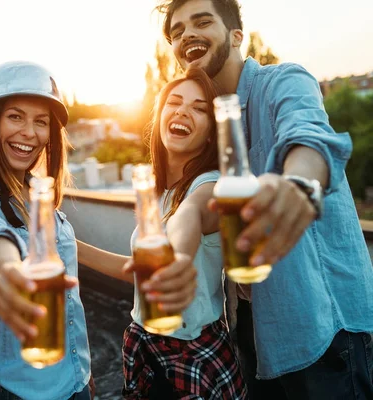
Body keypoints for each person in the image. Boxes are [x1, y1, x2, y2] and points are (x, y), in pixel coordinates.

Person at [159, 1, 373, 399]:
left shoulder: (283, 81)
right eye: (176, 31)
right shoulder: (209, 125)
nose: (186, 34)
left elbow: (308, 133)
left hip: (322, 329)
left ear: (237, 36)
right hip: (254, 336)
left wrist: (298, 185)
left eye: (202, 22)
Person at [80, 67, 247, 399]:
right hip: (145, 345)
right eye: (174, 101)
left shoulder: (210, 185)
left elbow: (190, 216)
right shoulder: (157, 195)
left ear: (213, 132)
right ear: (159, 117)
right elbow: (141, 272)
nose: (184, 110)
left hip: (194, 356)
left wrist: (179, 258)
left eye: (199, 108)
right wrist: (68, 247)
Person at [0, 60, 93, 400]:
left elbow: (64, 248)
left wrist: (82, 372)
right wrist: (11, 270)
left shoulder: (35, 191)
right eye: (15, 117)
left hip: (75, 382)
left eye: (41, 121)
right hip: (18, 392)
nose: (30, 132)